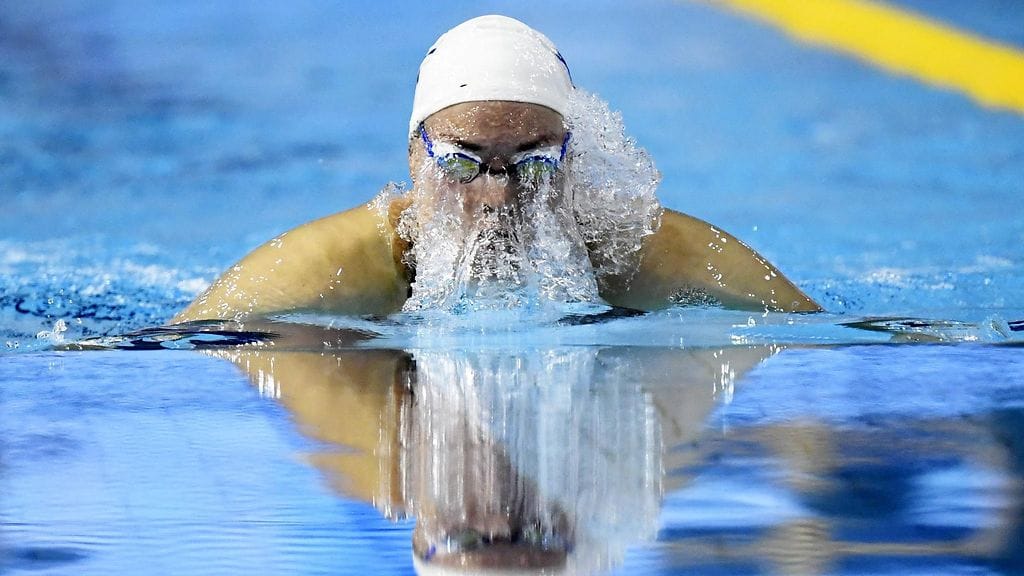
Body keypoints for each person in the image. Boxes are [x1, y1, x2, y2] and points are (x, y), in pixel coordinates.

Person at [172, 15, 820, 325]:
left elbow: (828, 334)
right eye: (460, 163)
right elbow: (169, 348)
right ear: (412, 156)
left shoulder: (641, 252)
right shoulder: (340, 266)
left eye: (534, 163)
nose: (496, 196)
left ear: (574, 157)